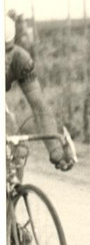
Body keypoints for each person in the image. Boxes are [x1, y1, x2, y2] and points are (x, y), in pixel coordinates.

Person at [5, 14, 74, 172]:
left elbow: (39, 107)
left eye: (8, 50)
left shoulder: (20, 59)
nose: (5, 58)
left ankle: (12, 184)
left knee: (18, 151)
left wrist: (55, 150)